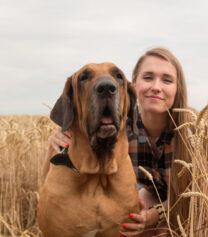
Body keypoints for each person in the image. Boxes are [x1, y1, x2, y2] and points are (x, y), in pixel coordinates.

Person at [42, 47, 193, 236]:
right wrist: (54, 144)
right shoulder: (123, 127)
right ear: (134, 85)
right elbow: (49, 185)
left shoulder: (194, 130)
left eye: (167, 80)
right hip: (151, 194)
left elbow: (202, 194)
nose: (156, 86)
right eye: (148, 77)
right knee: (136, 215)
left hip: (193, 204)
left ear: (178, 88)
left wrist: (156, 215)